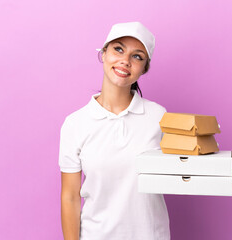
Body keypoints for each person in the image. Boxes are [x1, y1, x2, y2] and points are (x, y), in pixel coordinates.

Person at [59, 21, 170, 240]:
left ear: (144, 68)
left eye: (137, 56)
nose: (125, 61)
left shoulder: (159, 117)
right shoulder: (75, 124)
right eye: (118, 49)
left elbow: (182, 170)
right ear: (103, 53)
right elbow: (70, 197)